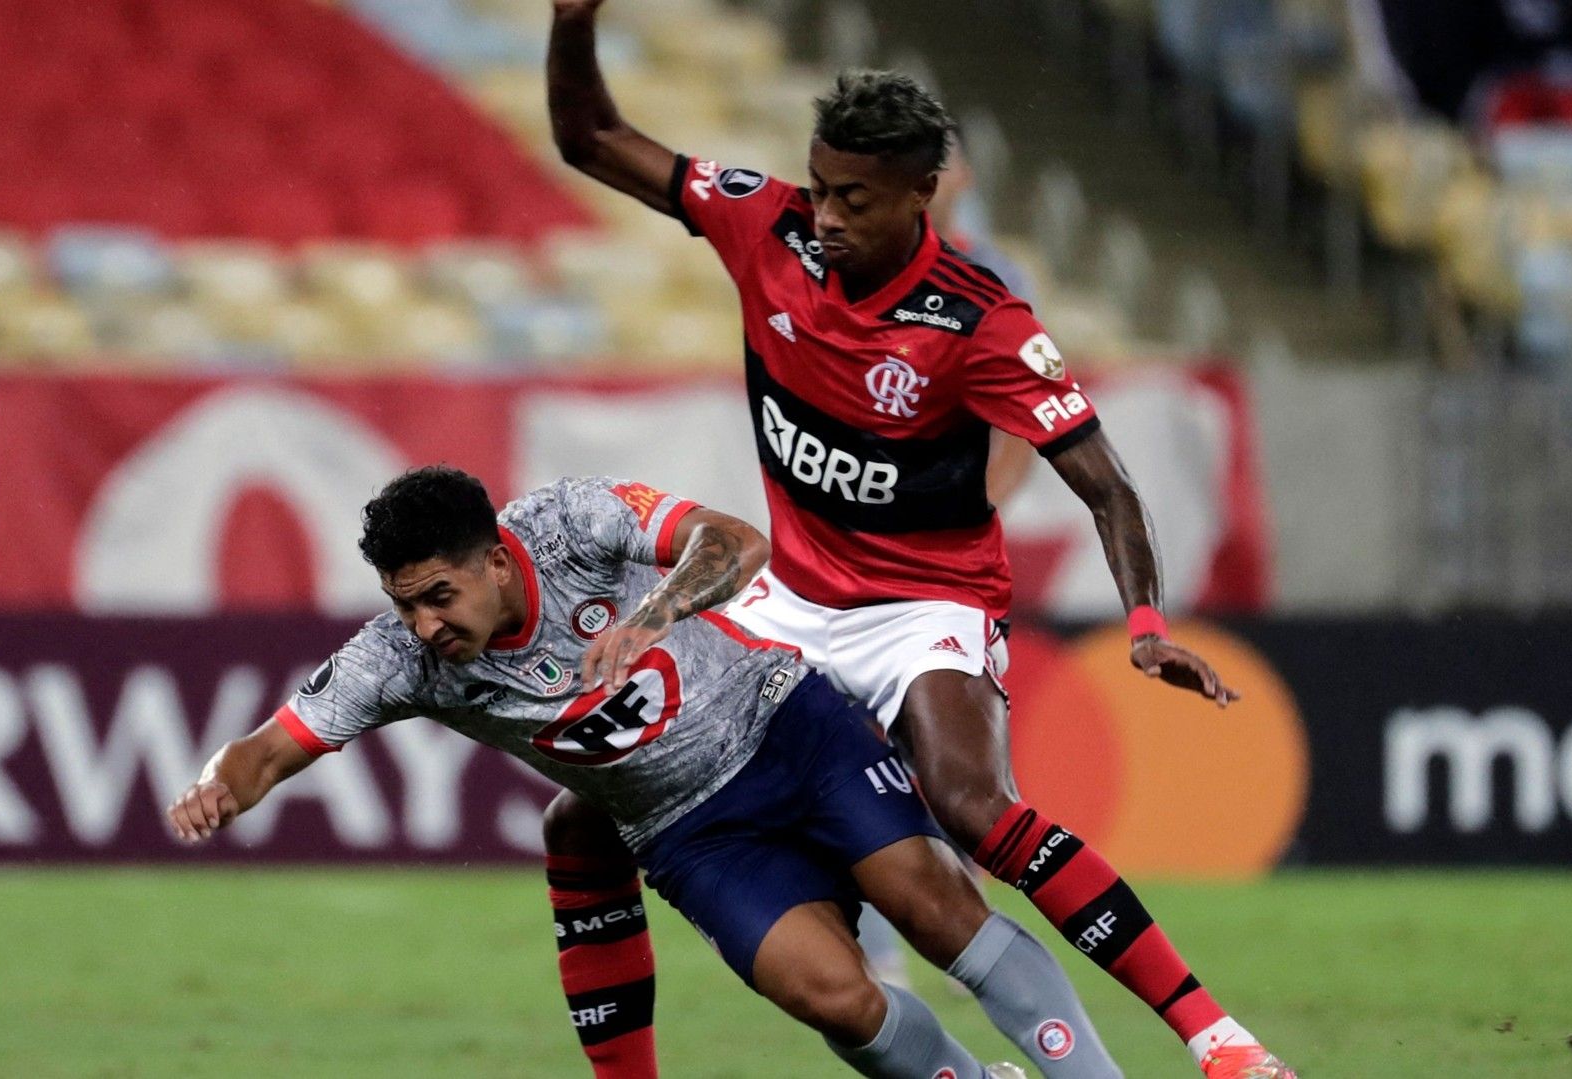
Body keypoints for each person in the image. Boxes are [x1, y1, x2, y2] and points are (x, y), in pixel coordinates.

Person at [544, 2, 1297, 1077]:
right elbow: (589, 139)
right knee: (591, 807)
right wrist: (574, 23)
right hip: (788, 599)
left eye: (855, 198)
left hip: (923, 605)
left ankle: (1214, 1037)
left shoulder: (982, 321)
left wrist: (1144, 624)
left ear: (921, 195)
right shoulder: (763, 224)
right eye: (820, 187)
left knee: (973, 806)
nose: (828, 215)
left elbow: (1110, 486)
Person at [164, 465, 1116, 1079]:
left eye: (439, 597)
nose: (426, 627)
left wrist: (652, 614)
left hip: (790, 731)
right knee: (832, 996)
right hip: (691, 830)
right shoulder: (399, 659)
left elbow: (737, 540)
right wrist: (219, 785)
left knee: (940, 913)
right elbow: (267, 746)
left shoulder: (572, 521)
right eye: (404, 605)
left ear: (498, 561)